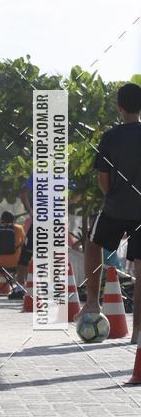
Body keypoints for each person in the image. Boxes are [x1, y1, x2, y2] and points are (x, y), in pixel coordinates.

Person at [78, 82, 141, 342]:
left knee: (93, 246)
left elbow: (103, 179)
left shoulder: (111, 137)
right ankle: (138, 331)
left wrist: (112, 195)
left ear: (119, 108)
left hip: (116, 207)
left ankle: (92, 302)